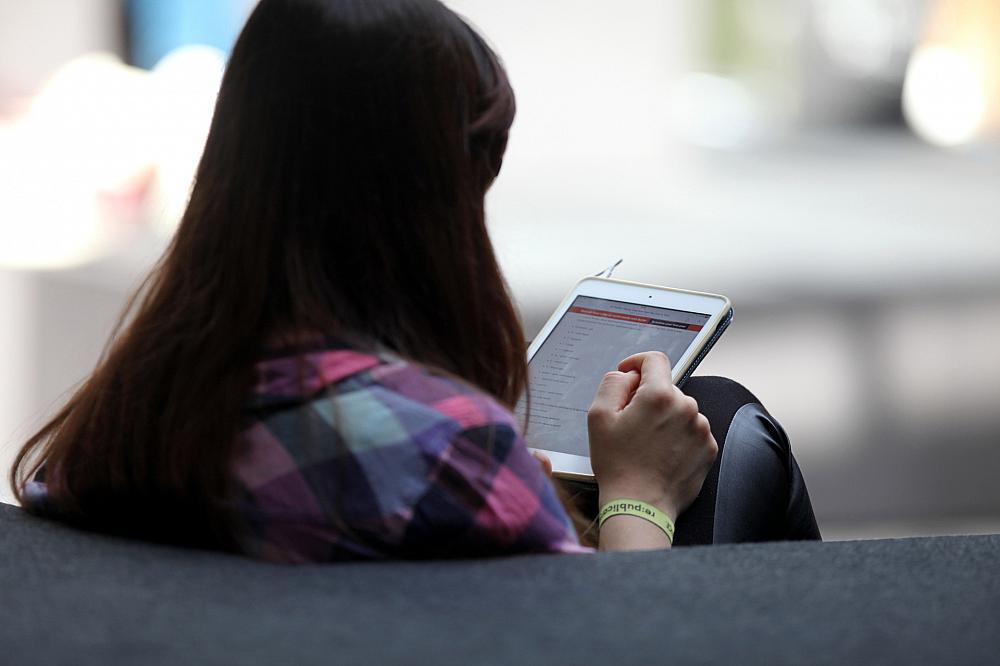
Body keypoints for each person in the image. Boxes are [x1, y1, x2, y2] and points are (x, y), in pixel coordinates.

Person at [9, 0, 819, 562]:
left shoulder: (124, 416)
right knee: (728, 423)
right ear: (424, 207)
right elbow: (610, 642)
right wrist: (638, 495)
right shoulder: (449, 451)